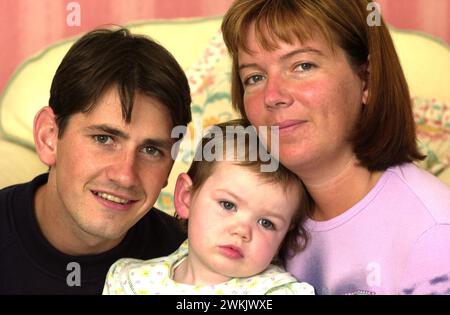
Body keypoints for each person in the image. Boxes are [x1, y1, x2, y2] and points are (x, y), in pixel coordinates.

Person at [221, 0, 450, 295]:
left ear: (366, 80)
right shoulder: (248, 215)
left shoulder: (435, 233)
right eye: (255, 77)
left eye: (303, 65)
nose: (273, 96)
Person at [0, 27, 192, 294]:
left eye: (151, 150)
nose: (125, 175)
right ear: (49, 137)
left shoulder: (193, 264)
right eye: (103, 139)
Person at [103, 120, 314, 295]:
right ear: (186, 198)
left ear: (285, 235)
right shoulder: (130, 281)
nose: (241, 231)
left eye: (266, 223)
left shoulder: (277, 292)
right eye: (228, 205)